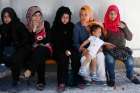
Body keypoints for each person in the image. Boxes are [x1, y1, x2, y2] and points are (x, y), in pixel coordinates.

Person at [103, 5, 140, 87]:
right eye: (110, 14)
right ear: (107, 14)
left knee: (130, 61)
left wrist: (125, 28)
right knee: (109, 61)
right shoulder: (104, 25)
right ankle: (112, 79)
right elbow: (101, 40)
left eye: (114, 14)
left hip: (122, 50)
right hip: (110, 50)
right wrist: (106, 46)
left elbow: (129, 38)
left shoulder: (122, 24)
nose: (112, 16)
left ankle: (130, 76)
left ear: (117, 14)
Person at [73, 5, 106, 87]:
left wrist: (100, 48)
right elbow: (75, 43)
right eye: (81, 15)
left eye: (85, 14)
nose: (83, 17)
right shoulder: (77, 27)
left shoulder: (95, 24)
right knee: (84, 58)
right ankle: (87, 79)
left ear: (90, 15)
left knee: (101, 56)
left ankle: (101, 78)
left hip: (96, 49)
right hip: (85, 49)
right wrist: (83, 49)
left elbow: (101, 38)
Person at [0, 7, 32, 86]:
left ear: (12, 16)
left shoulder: (18, 25)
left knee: (16, 57)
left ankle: (15, 79)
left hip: (22, 47)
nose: (6, 19)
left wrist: (17, 44)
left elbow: (26, 38)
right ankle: (5, 68)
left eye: (8, 16)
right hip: (9, 48)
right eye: (4, 17)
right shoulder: (2, 27)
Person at [24, 6, 52, 90]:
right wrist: (34, 30)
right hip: (34, 51)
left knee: (40, 50)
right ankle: (41, 82)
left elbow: (48, 38)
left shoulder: (45, 24)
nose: (37, 18)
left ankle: (29, 70)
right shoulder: (27, 27)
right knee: (39, 55)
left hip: (46, 49)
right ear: (30, 16)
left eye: (39, 15)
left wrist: (38, 43)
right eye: (34, 15)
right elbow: (29, 42)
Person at [51, 6, 75, 92]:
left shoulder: (71, 26)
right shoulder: (55, 27)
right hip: (57, 50)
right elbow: (55, 43)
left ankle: (76, 80)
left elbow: (72, 41)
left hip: (69, 49)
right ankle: (61, 82)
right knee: (63, 58)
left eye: (67, 17)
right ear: (59, 17)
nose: (65, 19)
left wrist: (69, 50)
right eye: (63, 17)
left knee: (74, 56)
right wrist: (65, 50)